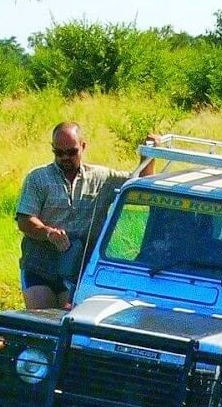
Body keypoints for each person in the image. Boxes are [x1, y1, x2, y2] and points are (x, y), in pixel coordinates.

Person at [16, 122, 155, 309]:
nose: (65, 157)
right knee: (43, 320)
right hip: (40, 265)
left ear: (83, 146)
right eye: (59, 153)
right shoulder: (38, 178)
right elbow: (25, 220)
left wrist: (148, 155)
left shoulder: (101, 177)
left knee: (70, 322)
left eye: (71, 152)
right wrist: (49, 233)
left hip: (78, 268)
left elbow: (142, 186)